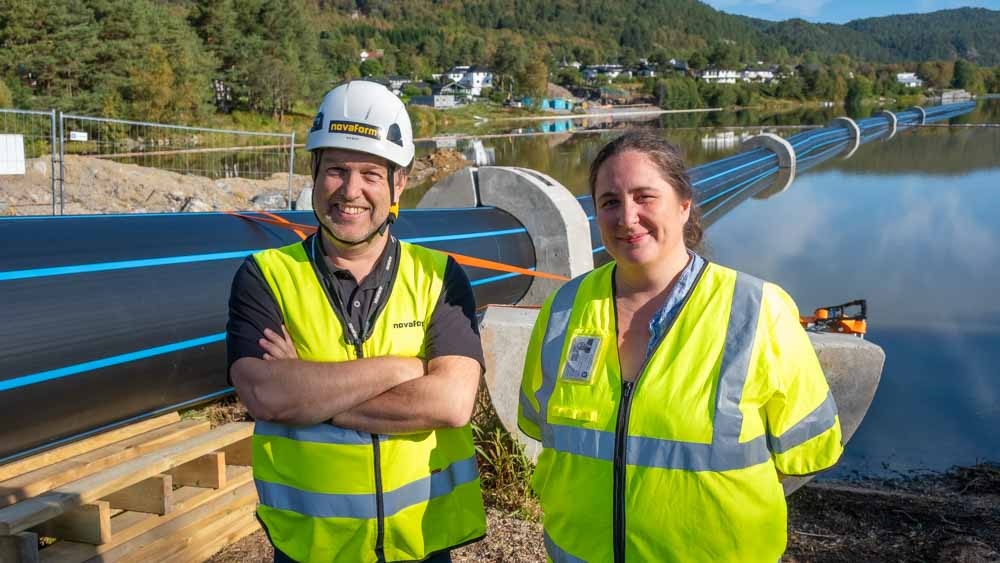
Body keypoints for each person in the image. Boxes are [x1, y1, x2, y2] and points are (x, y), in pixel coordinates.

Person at [518, 130, 843, 562]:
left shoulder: (756, 310)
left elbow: (808, 451)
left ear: (684, 204)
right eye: (610, 202)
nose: (627, 217)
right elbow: (543, 428)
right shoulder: (564, 310)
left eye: (645, 197)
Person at [227, 81, 486, 563]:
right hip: (313, 549)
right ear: (314, 172)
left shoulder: (438, 277)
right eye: (336, 171)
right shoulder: (266, 276)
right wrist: (403, 369)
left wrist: (309, 395)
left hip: (421, 544)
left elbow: (451, 402)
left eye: (370, 173)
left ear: (399, 183)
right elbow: (266, 394)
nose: (351, 191)